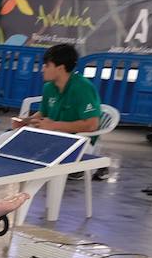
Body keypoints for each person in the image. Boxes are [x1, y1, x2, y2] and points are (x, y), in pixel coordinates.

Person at [6, 43, 105, 180]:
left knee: (26, 149)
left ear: (60, 68)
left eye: (47, 65)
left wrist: (55, 126)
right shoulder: (49, 87)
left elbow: (91, 125)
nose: (42, 69)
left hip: (79, 141)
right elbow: (42, 114)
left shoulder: (83, 88)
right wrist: (24, 122)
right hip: (53, 136)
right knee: (5, 138)